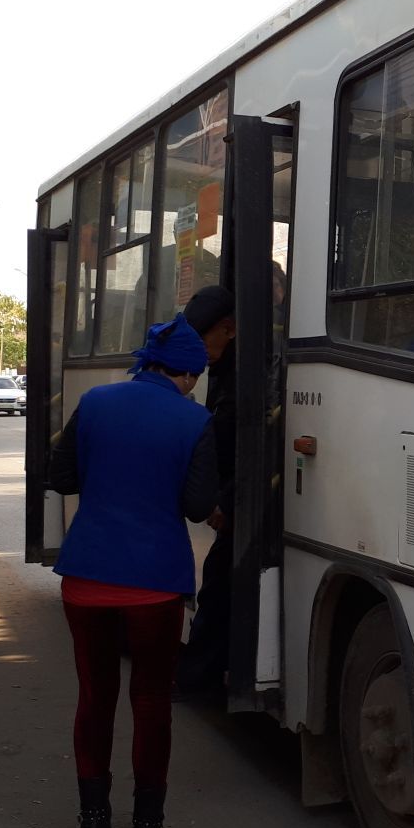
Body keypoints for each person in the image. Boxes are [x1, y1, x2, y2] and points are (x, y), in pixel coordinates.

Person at [49, 314, 218, 828]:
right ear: (188, 375)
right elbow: (196, 507)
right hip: (154, 585)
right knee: (150, 702)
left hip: (86, 578)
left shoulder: (95, 402)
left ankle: (92, 821)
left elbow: (60, 475)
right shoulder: (195, 420)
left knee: (95, 696)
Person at [177, 285, 237, 696]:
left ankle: (197, 678)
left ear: (229, 329)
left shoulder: (252, 369)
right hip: (228, 496)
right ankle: (199, 675)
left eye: (202, 338)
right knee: (217, 581)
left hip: (240, 498)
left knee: (218, 581)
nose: (196, 349)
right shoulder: (223, 368)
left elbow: (254, 442)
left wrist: (226, 500)